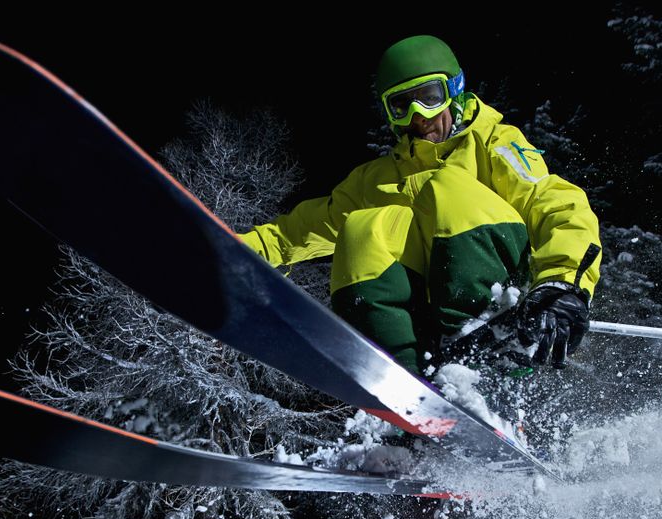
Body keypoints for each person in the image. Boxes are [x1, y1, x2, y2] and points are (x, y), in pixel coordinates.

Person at [240, 35, 602, 375]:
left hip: (508, 315)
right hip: (428, 333)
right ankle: (407, 380)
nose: (419, 115)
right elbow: (298, 231)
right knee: (365, 229)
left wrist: (563, 282)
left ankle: (482, 359)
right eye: (402, 104)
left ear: (455, 92)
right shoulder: (377, 179)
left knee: (446, 189)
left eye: (430, 96)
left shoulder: (494, 143)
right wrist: (236, 251)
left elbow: (556, 203)